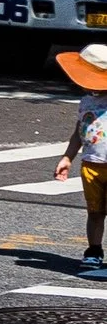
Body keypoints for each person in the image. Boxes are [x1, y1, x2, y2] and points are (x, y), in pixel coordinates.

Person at [51, 47, 107, 275]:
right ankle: (94, 251)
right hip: (91, 165)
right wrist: (68, 157)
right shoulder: (86, 102)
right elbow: (79, 133)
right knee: (94, 212)